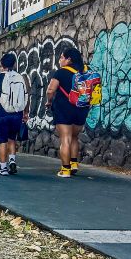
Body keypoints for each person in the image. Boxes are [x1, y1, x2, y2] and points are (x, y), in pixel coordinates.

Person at [0, 53, 30, 176]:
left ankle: (3, 168)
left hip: (2, 114)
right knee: (12, 138)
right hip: (17, 114)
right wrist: (25, 112)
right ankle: (12, 161)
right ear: (14, 64)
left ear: (1, 64)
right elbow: (25, 96)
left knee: (2, 141)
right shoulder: (21, 78)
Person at [46, 47, 93, 178]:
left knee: (65, 139)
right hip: (81, 109)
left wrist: (49, 102)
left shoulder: (61, 73)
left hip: (64, 109)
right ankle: (73, 164)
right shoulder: (87, 71)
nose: (60, 60)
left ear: (68, 59)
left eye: (61, 57)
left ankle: (65, 170)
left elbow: (50, 90)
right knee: (74, 137)